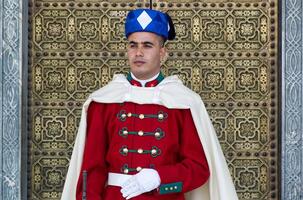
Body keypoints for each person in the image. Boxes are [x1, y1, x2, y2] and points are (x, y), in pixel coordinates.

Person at [61, 8, 238, 200]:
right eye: (132, 45)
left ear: (162, 52)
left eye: (147, 45)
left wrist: (159, 177)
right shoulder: (104, 101)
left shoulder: (184, 102)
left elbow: (199, 169)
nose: (138, 52)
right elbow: (92, 170)